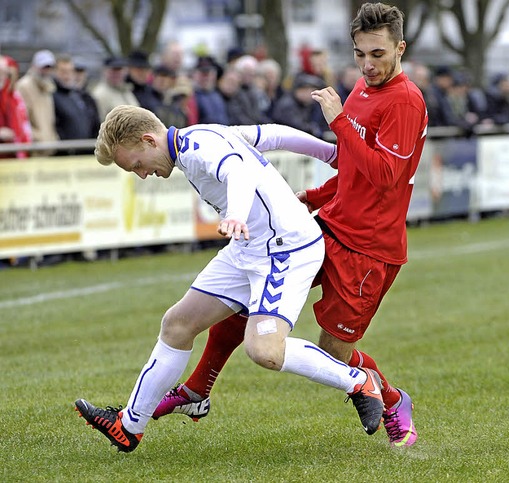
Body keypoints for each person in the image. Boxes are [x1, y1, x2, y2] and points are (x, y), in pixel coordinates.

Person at [154, 2, 426, 449]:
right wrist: (316, 197)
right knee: (247, 291)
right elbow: (354, 171)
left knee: (332, 353)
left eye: (377, 54)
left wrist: (338, 121)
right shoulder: (360, 89)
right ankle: (197, 388)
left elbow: (385, 176)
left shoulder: (405, 101)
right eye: (360, 54)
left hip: (370, 248)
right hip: (330, 226)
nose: (367, 65)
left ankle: (394, 399)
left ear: (400, 48)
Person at [74, 104, 385, 452]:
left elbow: (238, 172)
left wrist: (236, 215)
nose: (142, 174)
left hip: (285, 248)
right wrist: (329, 153)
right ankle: (128, 427)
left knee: (265, 350)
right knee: (177, 324)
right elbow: (273, 133)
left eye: (137, 165)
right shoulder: (200, 137)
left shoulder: (197, 146)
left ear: (148, 140)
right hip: (249, 248)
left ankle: (358, 382)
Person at [16, 49, 58, 155]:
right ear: (34, 66)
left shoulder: (48, 87)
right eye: (44, 67)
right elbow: (21, 119)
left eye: (49, 67)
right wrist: (37, 137)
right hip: (34, 148)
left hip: (48, 146)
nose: (46, 70)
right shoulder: (24, 86)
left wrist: (52, 138)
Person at [0, 55, 32, 159]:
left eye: (6, 74)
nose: (4, 77)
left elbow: (23, 126)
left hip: (13, 158)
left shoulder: (14, 98)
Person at [91, 56, 139, 121]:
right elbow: (98, 122)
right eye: (113, 70)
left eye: (119, 70)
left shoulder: (126, 91)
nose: (117, 74)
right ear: (105, 71)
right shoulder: (100, 94)